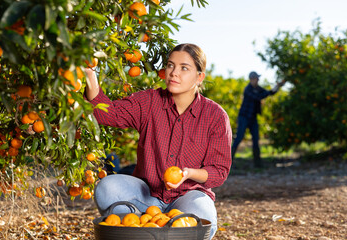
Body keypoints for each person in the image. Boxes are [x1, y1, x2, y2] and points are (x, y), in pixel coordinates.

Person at [84, 43, 232, 239]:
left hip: (188, 196)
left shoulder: (215, 116)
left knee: (204, 219)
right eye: (170, 65)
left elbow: (219, 171)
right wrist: (89, 72)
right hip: (146, 195)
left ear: (199, 77)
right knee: (107, 188)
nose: (174, 73)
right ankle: (140, 230)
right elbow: (108, 114)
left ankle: (159, 230)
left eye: (184, 68)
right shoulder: (150, 101)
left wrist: (188, 174)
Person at [231, 71, 285, 168]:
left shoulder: (257, 88)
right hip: (244, 117)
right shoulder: (247, 90)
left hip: (252, 118)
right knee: (239, 138)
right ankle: (228, 162)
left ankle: (257, 163)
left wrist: (277, 86)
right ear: (252, 79)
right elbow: (259, 97)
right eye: (256, 78)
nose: (258, 80)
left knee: (256, 139)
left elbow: (269, 93)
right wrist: (266, 93)